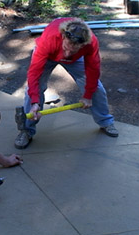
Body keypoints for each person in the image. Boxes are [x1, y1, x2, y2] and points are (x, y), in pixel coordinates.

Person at [15, 17, 118, 149]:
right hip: (49, 54)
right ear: (63, 36)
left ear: (83, 45)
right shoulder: (49, 40)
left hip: (76, 60)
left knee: (96, 88)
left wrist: (88, 95)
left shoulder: (90, 43)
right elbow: (34, 73)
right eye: (66, 48)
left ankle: (105, 122)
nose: (67, 54)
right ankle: (26, 131)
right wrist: (35, 102)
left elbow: (93, 69)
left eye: (73, 50)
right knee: (33, 90)